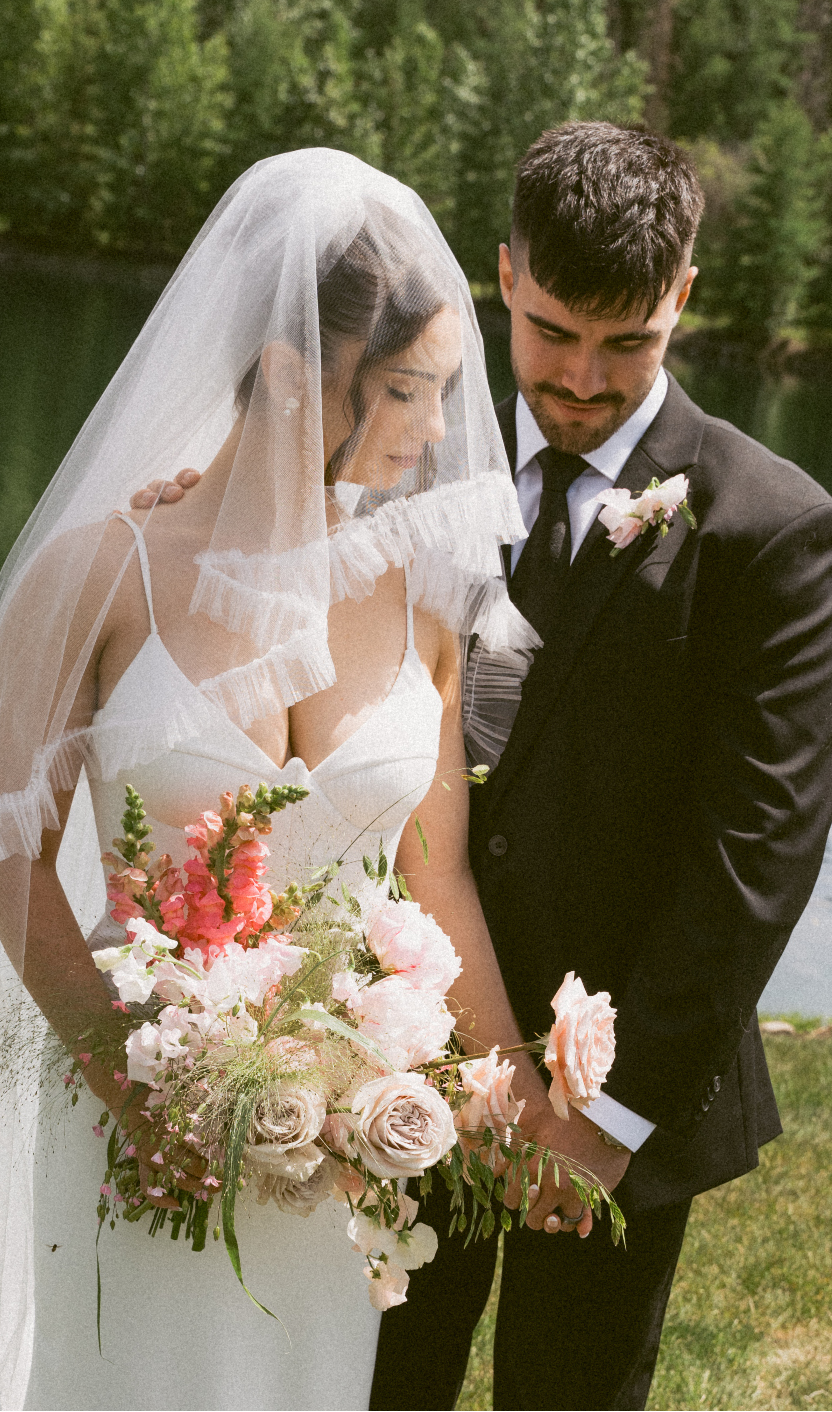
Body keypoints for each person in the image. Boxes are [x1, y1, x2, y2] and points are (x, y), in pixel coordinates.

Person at [0, 150, 541, 1411]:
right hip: (132, 1126)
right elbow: (9, 864)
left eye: (442, 392)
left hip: (339, 1155)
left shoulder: (420, 601)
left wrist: (510, 1094)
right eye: (404, 390)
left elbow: (436, 872)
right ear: (299, 370)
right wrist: (137, 1093)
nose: (431, 430)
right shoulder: (96, 576)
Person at [367, 122, 832, 1411]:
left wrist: (605, 1116)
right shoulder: (401, 459)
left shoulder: (770, 529)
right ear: (503, 274)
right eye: (554, 329)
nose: (580, 379)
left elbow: (756, 854)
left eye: (626, 342)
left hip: (614, 1101)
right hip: (389, 1056)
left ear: (680, 295)